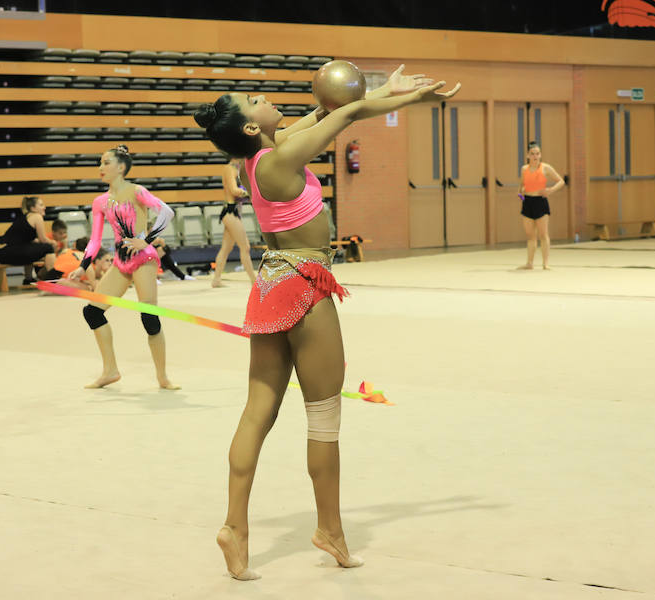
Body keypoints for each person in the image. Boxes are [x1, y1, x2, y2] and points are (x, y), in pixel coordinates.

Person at [194, 67, 459, 580]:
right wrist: (413, 96)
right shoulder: (282, 156)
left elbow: (333, 111)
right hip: (305, 283)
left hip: (271, 284)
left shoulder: (262, 155)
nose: (266, 98)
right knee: (324, 414)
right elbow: (348, 112)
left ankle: (234, 526)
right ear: (252, 128)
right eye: (256, 100)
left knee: (258, 411)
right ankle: (330, 530)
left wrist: (383, 91)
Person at [66, 145, 179, 390]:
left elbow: (167, 212)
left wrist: (146, 240)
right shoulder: (100, 202)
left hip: (143, 259)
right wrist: (82, 266)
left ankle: (162, 377)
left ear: (121, 167)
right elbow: (95, 240)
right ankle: (110, 370)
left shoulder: (137, 191)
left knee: (149, 317)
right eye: (100, 162)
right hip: (120, 261)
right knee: (92, 312)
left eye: (105, 162)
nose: (100, 168)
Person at [517, 142, 565, 270]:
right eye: (532, 154)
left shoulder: (545, 168)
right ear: (528, 155)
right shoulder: (524, 169)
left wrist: (551, 190)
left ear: (540, 155)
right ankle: (530, 263)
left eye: (537, 154)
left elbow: (561, 181)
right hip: (527, 201)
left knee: (543, 234)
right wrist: (521, 195)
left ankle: (545, 263)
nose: (535, 157)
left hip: (540, 202)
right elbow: (521, 186)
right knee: (530, 235)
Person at [211, 157, 257, 288]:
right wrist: (251, 193)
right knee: (245, 247)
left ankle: (216, 280)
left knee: (226, 248)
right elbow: (234, 190)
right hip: (230, 212)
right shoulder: (229, 169)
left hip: (232, 211)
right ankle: (254, 280)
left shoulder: (235, 169)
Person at [0, 196, 56, 285]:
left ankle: (28, 279)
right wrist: (54, 242)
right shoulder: (37, 216)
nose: (44, 207)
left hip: (2, 253)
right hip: (8, 251)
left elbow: (32, 241)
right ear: (33, 208)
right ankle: (53, 280)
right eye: (41, 205)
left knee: (32, 250)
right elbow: (43, 239)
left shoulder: (26, 217)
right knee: (48, 248)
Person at [38, 237, 105, 289]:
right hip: (57, 279)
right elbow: (90, 269)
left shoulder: (68, 251)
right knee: (88, 288)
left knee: (86, 283)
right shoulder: (83, 257)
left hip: (50, 276)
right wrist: (93, 283)